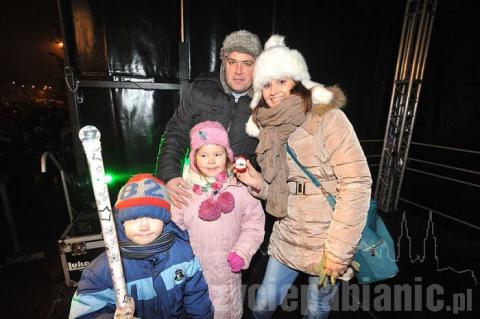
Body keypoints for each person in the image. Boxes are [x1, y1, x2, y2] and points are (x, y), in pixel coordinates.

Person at [236, 35, 372, 319]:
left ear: (297, 81)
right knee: (261, 307)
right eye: (266, 84)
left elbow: (356, 184)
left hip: (327, 242)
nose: (273, 91)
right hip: (288, 236)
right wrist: (257, 182)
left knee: (316, 312)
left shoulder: (327, 118)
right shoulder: (270, 129)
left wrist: (338, 252)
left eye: (281, 81)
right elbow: (282, 188)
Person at [69, 174, 214, 319]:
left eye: (153, 217)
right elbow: (84, 314)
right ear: (121, 222)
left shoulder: (182, 254)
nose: (144, 226)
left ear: (164, 220)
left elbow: (197, 298)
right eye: (134, 218)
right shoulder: (103, 270)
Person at [156, 30, 262, 209]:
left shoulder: (266, 101)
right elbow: (176, 133)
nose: (238, 71)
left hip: (240, 196)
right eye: (232, 62)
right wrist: (170, 176)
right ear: (223, 63)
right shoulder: (200, 90)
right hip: (195, 190)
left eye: (247, 63)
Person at [171, 121, 265, 319]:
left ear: (228, 156)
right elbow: (174, 231)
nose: (211, 161)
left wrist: (242, 251)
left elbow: (254, 225)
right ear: (194, 158)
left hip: (229, 275)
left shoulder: (240, 188)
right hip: (195, 275)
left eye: (218, 154)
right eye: (204, 155)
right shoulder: (184, 193)